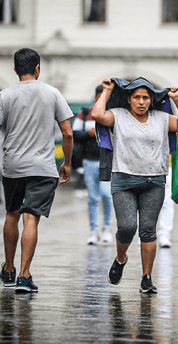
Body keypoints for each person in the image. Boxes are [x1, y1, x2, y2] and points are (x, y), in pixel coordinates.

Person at [91, 77, 178, 294]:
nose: (141, 101)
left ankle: (146, 278)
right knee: (127, 227)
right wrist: (107, 91)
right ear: (129, 99)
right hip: (123, 180)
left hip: (154, 181)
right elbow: (97, 115)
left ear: (151, 100)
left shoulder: (162, 118)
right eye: (136, 97)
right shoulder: (118, 115)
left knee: (148, 231)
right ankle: (120, 259)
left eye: (145, 97)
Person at [0, 48, 74, 293]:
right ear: (38, 69)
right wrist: (67, 163)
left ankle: (8, 270)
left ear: (16, 69)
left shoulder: (4, 96)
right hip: (42, 167)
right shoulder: (52, 93)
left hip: (13, 167)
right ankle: (24, 275)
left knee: (12, 214)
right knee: (31, 219)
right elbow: (68, 133)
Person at [72, 85, 113, 245]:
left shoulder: (112, 113)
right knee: (93, 198)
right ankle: (94, 231)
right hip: (89, 160)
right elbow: (74, 133)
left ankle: (107, 228)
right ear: (96, 97)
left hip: (107, 161)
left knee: (107, 195)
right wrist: (87, 134)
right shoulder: (86, 113)